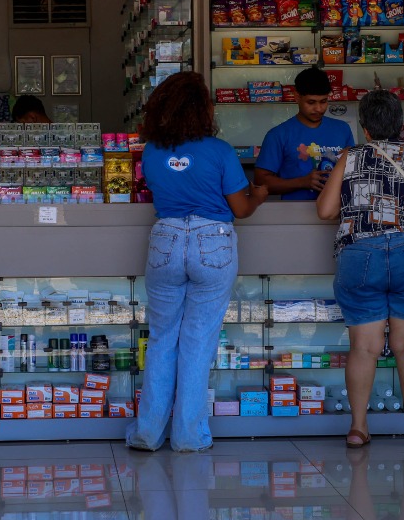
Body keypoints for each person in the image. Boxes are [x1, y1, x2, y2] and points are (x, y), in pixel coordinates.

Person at [127, 71, 268, 453]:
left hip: (166, 241)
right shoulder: (220, 151)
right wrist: (260, 194)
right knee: (197, 342)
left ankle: (148, 433)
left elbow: (164, 187)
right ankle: (189, 436)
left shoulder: (152, 152)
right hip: (212, 242)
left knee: (161, 340)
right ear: (202, 109)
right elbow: (240, 208)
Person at [317, 89, 404, 447]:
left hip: (362, 255)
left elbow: (326, 211)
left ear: (364, 128)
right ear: (402, 127)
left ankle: (358, 427)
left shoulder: (351, 157)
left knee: (364, 348)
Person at [253, 65, 354, 200]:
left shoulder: (342, 129)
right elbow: (260, 181)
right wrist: (302, 182)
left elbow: (353, 171)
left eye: (323, 101)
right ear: (297, 97)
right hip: (294, 215)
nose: (318, 108)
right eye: (311, 102)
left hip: (335, 213)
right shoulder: (278, 135)